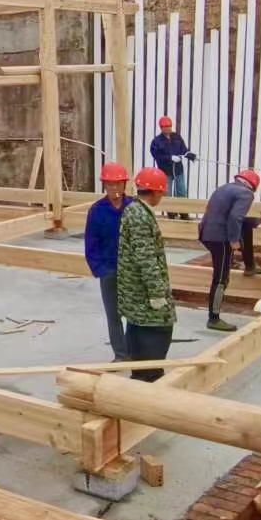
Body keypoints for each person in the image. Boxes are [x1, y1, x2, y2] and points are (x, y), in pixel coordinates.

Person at [117, 167, 176, 380]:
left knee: (136, 325)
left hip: (134, 290)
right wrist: (157, 293)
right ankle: (148, 376)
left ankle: (141, 371)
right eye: (162, 192)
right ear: (156, 192)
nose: (162, 196)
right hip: (142, 290)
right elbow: (146, 257)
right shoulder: (140, 216)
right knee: (157, 327)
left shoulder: (134, 210)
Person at [199, 169, 261, 332]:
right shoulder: (246, 193)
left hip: (207, 233)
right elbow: (235, 218)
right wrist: (233, 240)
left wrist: (258, 220)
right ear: (253, 186)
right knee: (221, 278)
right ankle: (214, 318)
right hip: (220, 238)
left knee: (247, 226)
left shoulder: (224, 188)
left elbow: (229, 216)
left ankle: (250, 266)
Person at [84, 162, 132, 360]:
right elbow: (91, 243)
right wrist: (100, 270)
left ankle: (134, 350)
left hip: (131, 270)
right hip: (109, 270)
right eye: (110, 184)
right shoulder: (97, 210)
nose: (114, 188)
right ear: (104, 185)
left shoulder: (133, 207)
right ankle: (121, 354)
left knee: (133, 312)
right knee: (114, 315)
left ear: (124, 185)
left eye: (118, 184)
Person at [150, 117, 195, 213]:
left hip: (178, 170)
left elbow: (184, 150)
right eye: (165, 127)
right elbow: (157, 156)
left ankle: (183, 212)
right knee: (168, 193)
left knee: (181, 191)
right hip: (165, 171)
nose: (168, 128)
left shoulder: (177, 137)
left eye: (169, 126)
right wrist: (170, 157)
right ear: (161, 128)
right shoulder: (156, 141)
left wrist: (192, 156)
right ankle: (171, 212)